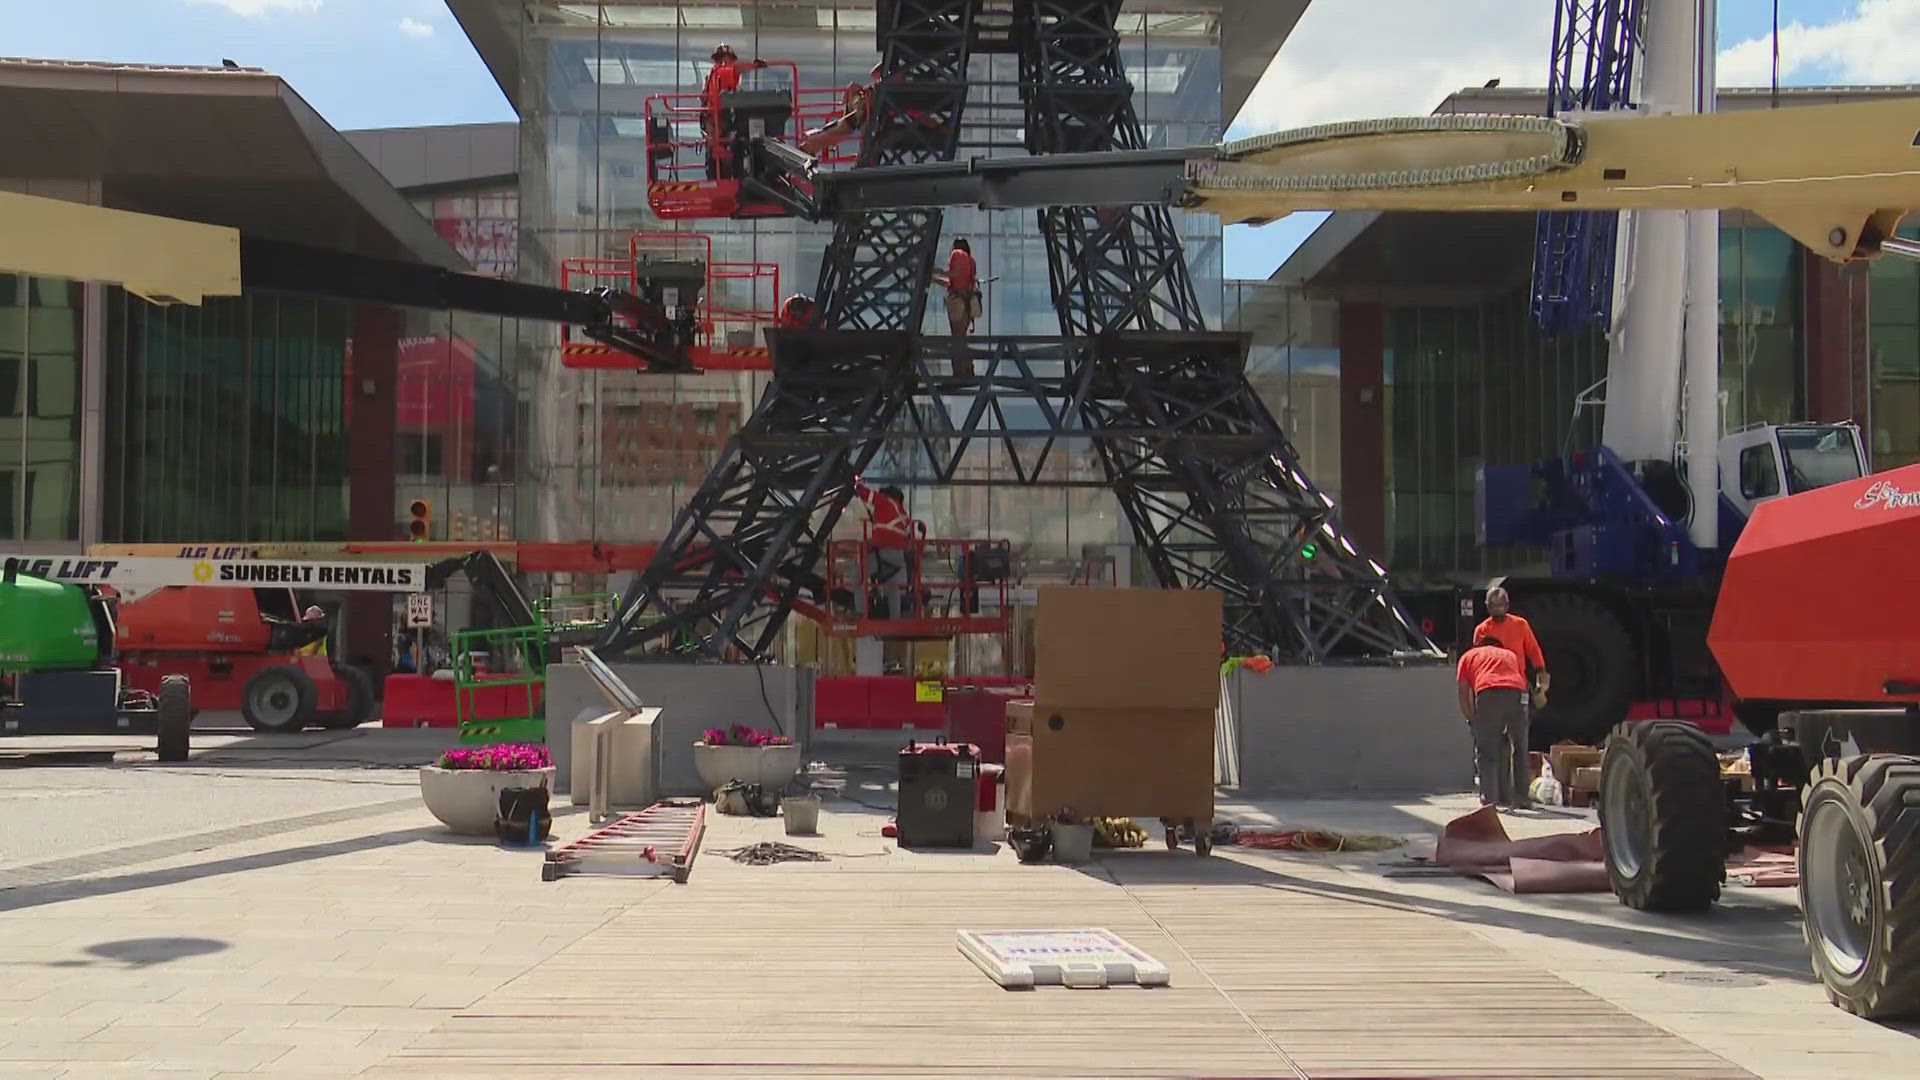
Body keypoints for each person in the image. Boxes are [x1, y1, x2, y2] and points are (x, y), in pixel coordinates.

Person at [1457, 633, 1531, 810]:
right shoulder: (1510, 655)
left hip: (1489, 694)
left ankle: (1490, 799)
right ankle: (1521, 797)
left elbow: (1463, 693)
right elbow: (1525, 683)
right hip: (1516, 695)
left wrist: (1472, 720)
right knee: (1520, 748)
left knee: (1487, 751)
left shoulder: (1469, 656)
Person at [1474, 585, 1550, 711]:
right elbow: (1477, 661)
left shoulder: (1520, 625)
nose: (1497, 608)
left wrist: (1541, 673)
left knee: (1523, 717)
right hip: (1493, 684)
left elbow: (1533, 650)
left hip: (1518, 682)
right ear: (1488, 607)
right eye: (1493, 605)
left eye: (1500, 605)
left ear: (1507, 605)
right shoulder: (1482, 630)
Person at [852, 476, 916, 619]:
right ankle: (895, 620)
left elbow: (867, 495)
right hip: (900, 559)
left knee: (858, 574)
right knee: (892, 586)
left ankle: (860, 612)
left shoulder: (885, 501)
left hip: (885, 552)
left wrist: (856, 484)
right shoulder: (904, 516)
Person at [701, 43, 768, 179]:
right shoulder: (720, 72)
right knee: (727, 152)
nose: (725, 62)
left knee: (722, 155)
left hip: (717, 121)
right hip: (717, 120)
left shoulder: (712, 77)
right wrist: (753, 66)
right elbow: (736, 70)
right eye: (723, 59)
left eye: (727, 59)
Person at [800, 62, 881, 157]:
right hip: (865, 108)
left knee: (846, 125)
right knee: (845, 124)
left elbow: (874, 73)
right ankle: (813, 144)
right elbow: (874, 74)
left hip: (869, 109)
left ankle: (813, 144)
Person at [929, 237, 979, 376]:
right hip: (968, 302)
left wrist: (937, 271)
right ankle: (967, 367)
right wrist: (936, 279)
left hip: (957, 302)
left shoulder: (956, 254)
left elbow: (954, 275)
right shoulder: (970, 260)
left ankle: (959, 370)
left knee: (956, 337)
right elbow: (956, 281)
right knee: (961, 337)